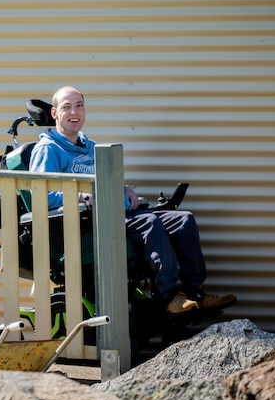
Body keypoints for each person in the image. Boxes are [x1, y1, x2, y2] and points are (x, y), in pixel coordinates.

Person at [28, 85, 236, 317]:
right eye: (67, 107)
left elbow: (109, 179)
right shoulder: (48, 149)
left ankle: (194, 292)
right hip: (90, 221)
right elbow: (41, 194)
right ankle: (169, 297)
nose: (74, 112)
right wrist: (80, 196)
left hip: (117, 209)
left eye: (79, 105)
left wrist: (125, 188)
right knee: (149, 223)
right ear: (55, 113)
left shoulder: (91, 146)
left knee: (183, 220)